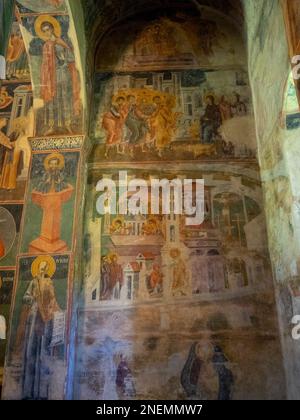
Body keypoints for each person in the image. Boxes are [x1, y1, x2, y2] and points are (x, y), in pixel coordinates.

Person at [15, 256, 62, 400]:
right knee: (31, 352)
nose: (42, 270)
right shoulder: (33, 282)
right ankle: (28, 392)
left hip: (45, 318)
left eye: (44, 268)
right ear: (37, 268)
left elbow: (53, 299)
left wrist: (58, 311)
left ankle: (41, 393)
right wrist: (33, 298)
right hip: (34, 316)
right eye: (40, 267)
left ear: (47, 269)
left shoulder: (49, 282)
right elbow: (26, 297)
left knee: (42, 353)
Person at [33, 16, 81, 135]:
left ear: (52, 29)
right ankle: (51, 126)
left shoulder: (61, 42)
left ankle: (67, 124)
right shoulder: (46, 46)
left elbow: (71, 58)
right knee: (52, 100)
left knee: (65, 98)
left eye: (48, 29)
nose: (46, 32)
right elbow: (44, 64)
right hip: (51, 77)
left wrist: (63, 58)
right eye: (44, 31)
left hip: (63, 74)